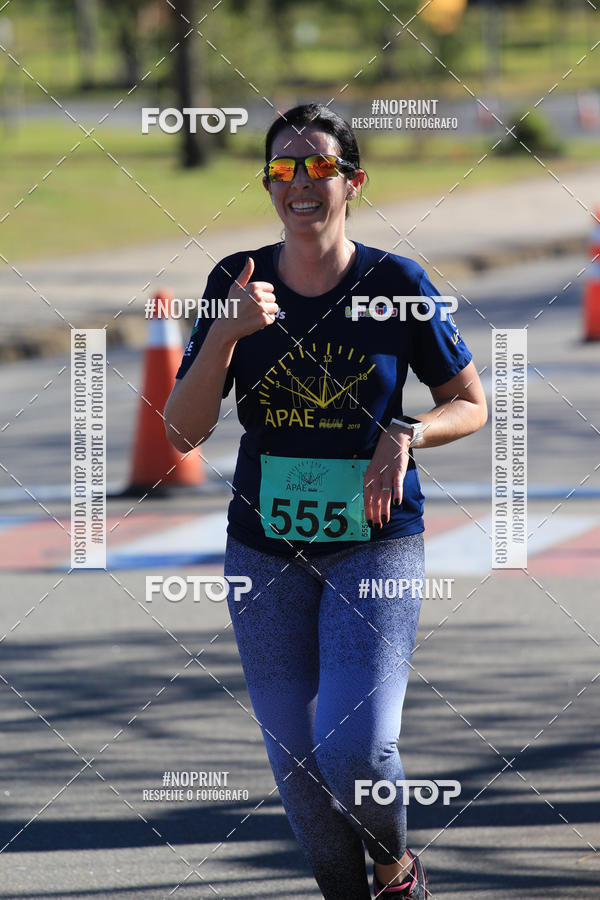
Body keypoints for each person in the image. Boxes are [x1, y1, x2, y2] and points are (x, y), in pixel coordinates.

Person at [165, 102, 487, 899]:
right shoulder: (235, 280)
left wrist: (408, 432)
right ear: (267, 183)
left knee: (357, 750)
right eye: (283, 168)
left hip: (373, 543)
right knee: (299, 769)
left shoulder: (397, 283)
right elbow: (181, 430)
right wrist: (226, 333)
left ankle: (395, 868)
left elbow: (471, 403)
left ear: (354, 181)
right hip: (264, 549)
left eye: (319, 167)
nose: (300, 183)